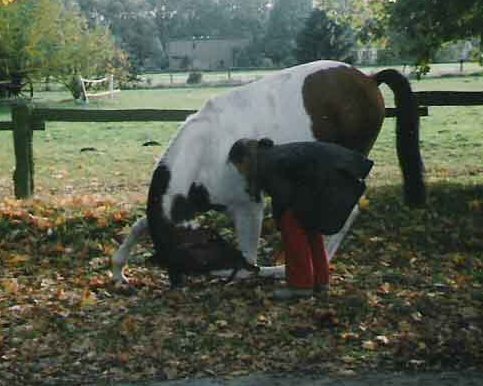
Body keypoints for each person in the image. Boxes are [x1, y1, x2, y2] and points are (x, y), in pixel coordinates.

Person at [228, 138, 373, 300]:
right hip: (337, 176)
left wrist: (279, 221)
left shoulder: (266, 164)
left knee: (292, 229)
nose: (240, 172)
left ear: (245, 159)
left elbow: (284, 198)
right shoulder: (272, 155)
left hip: (330, 182)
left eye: (238, 166)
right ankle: (320, 281)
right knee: (311, 229)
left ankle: (301, 286)